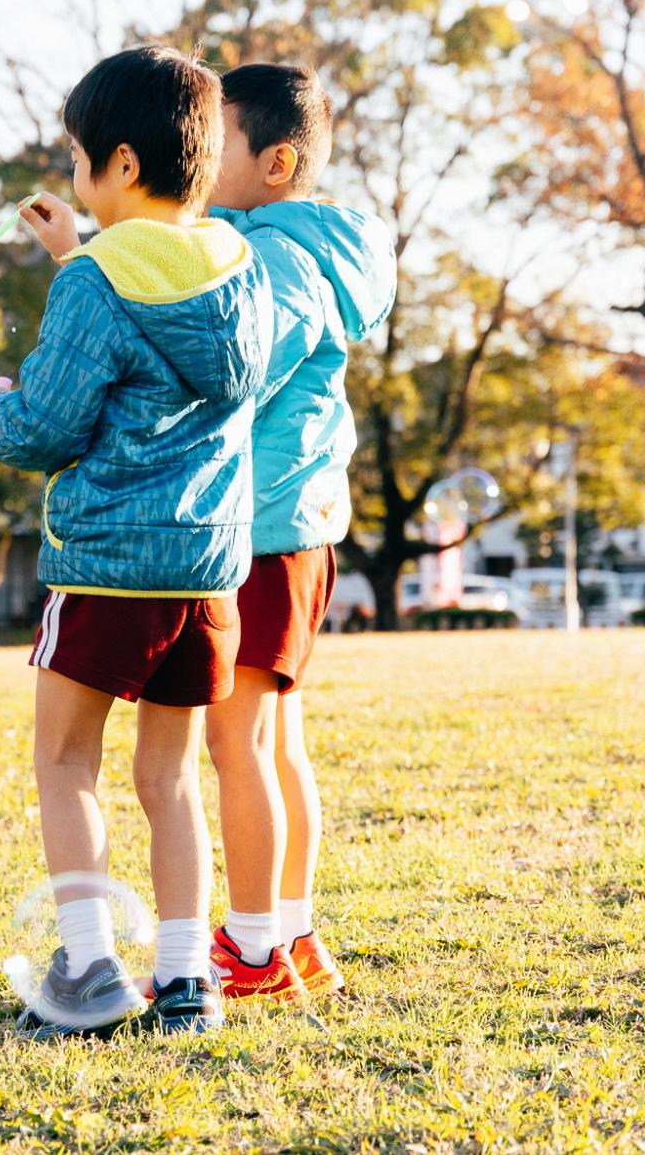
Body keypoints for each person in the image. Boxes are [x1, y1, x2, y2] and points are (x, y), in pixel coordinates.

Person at [0, 45, 272, 1036]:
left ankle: (92, 971)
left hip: (103, 566)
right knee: (170, 775)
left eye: (77, 157)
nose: (72, 175)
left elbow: (50, 423)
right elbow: (163, 330)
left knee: (65, 762)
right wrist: (78, 250)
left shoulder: (94, 281)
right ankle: (186, 981)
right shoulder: (239, 268)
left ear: (123, 167)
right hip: (202, 575)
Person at [201, 62, 397, 1000]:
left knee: (235, 743)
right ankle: (292, 931)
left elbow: (238, 364)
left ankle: (249, 949)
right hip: (298, 526)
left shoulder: (281, 260)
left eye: (215, 138)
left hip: (267, 528)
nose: (198, 158)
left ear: (275, 161)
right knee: (275, 741)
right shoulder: (300, 243)